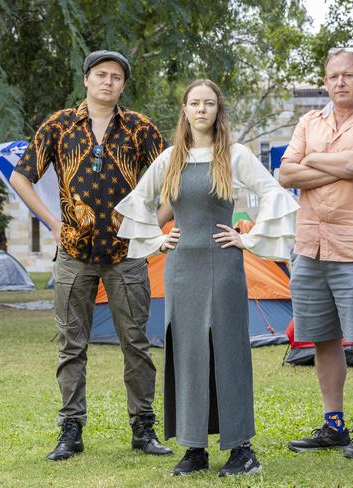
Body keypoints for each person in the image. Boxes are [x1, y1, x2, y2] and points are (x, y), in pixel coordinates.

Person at [115, 79, 298, 476]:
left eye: (209, 103)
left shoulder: (234, 154)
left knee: (228, 353)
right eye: (194, 103)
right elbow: (138, 203)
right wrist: (157, 240)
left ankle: (241, 450)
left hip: (224, 263)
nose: (201, 109)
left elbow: (275, 193)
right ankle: (194, 447)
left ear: (218, 110)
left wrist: (247, 237)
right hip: (182, 269)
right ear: (184, 109)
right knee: (187, 354)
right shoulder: (169, 159)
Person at [10, 50, 172, 461]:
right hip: (73, 253)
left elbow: (174, 182)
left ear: (123, 85)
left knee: (136, 342)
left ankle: (143, 427)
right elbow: (21, 176)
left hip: (126, 253)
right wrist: (52, 223)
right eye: (101, 75)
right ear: (86, 79)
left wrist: (150, 225)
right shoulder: (59, 125)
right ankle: (70, 429)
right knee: (71, 345)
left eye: (116, 77)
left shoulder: (141, 129)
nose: (108, 82)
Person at [279, 48, 353, 458]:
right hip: (310, 245)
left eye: (348, 75)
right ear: (326, 82)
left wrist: (313, 160)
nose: (340, 83)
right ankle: (335, 427)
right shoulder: (309, 121)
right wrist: (335, 164)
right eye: (333, 77)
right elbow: (285, 173)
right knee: (323, 339)